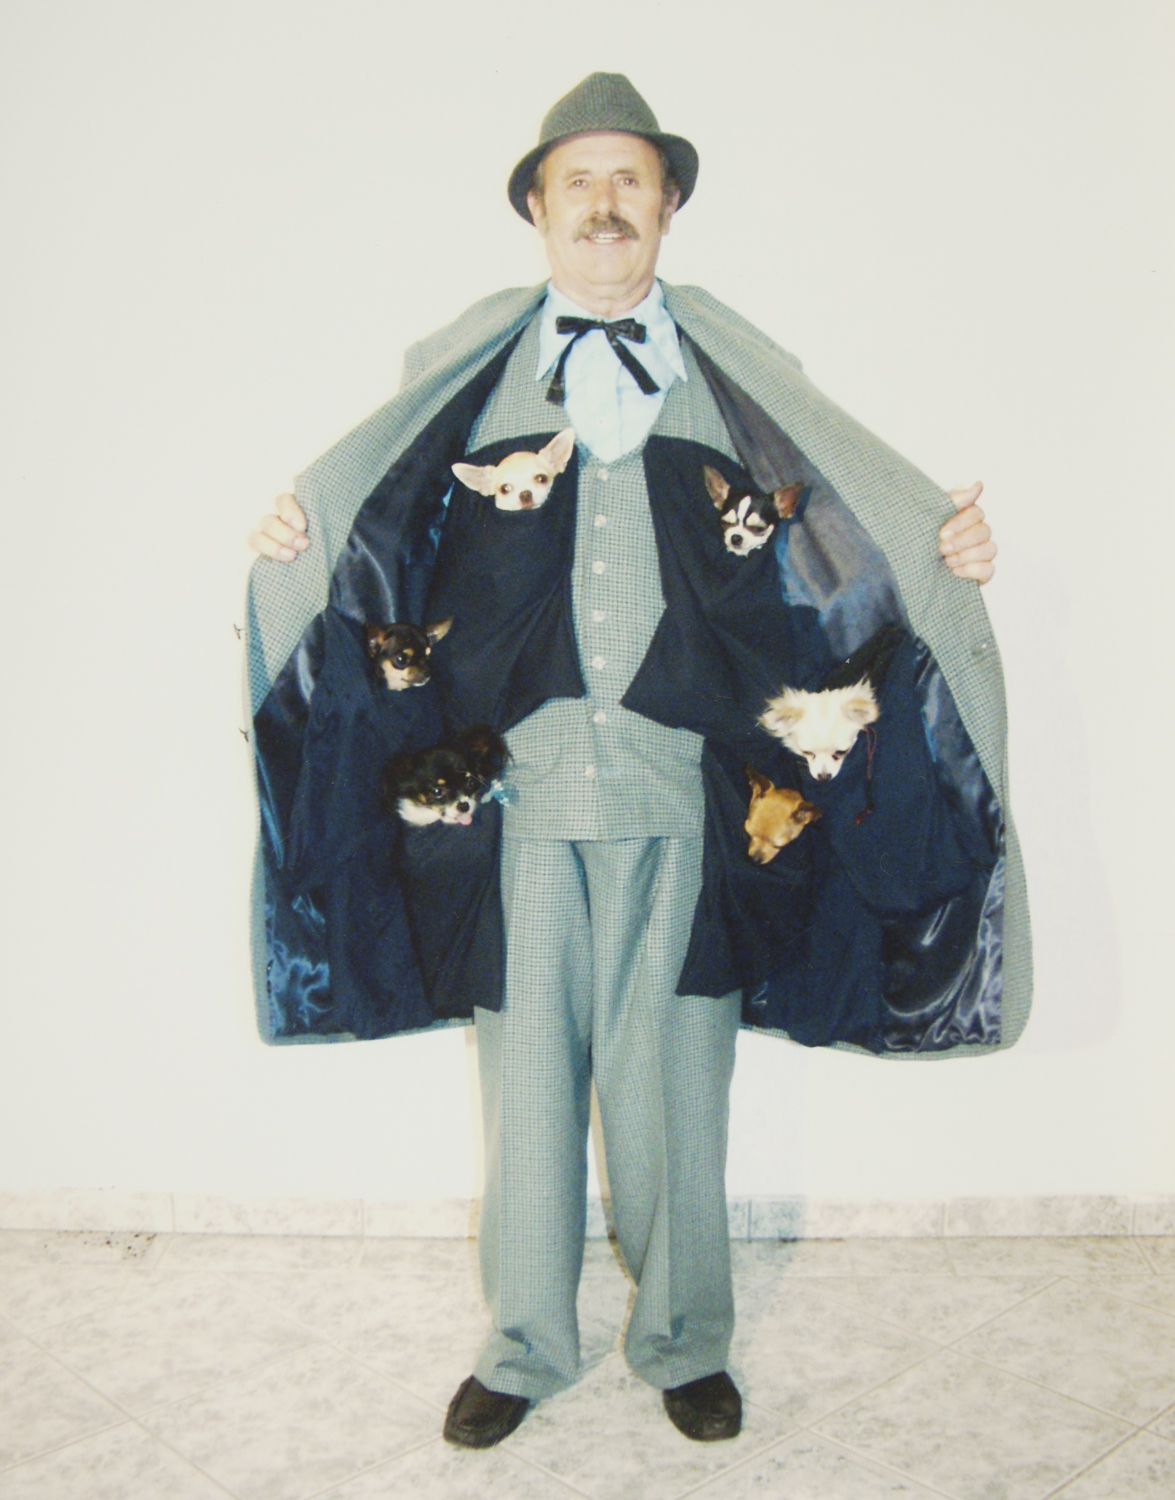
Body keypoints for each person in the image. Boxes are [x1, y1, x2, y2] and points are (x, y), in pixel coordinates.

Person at [246, 74, 1008, 1450]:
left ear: (667, 206)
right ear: (539, 209)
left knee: (677, 1083)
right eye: (579, 180)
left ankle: (684, 1338)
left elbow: (848, 535)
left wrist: (940, 551)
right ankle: (525, 1345)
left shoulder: (744, 375)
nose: (605, 203)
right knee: (529, 1086)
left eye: (630, 179)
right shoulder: (458, 377)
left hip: (686, 784)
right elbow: (379, 534)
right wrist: (295, 547)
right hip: (518, 790)